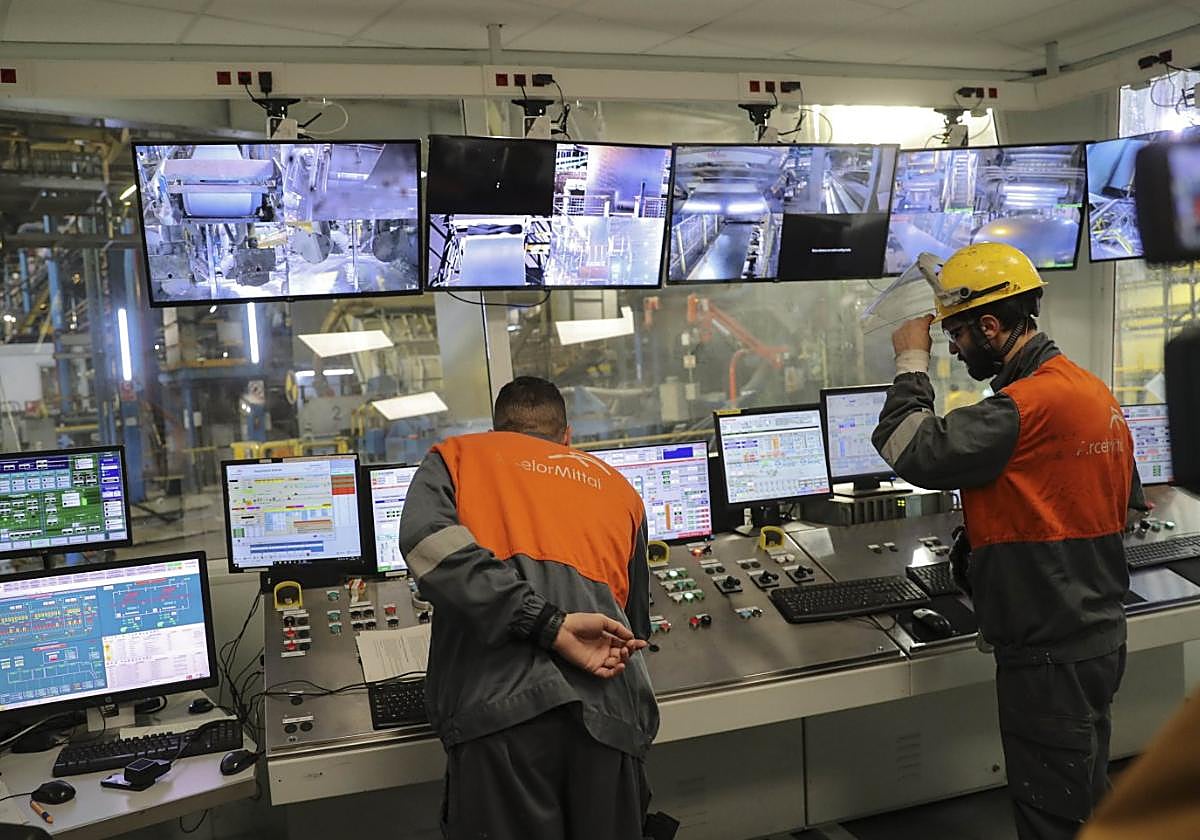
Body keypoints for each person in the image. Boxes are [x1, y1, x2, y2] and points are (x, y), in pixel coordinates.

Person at [871, 242, 1144, 840]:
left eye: (957, 333)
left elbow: (908, 446)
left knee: (1054, 815)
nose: (953, 346)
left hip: (1047, 647)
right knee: (1083, 796)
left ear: (990, 325)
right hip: (1095, 636)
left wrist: (909, 361)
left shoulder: (1021, 407)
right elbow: (1123, 504)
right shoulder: (1091, 391)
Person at [399, 375, 658, 840]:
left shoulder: (458, 458)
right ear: (567, 436)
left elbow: (429, 548)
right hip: (609, 718)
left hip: (499, 720)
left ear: (496, 430)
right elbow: (635, 628)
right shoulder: (619, 489)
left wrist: (543, 622)